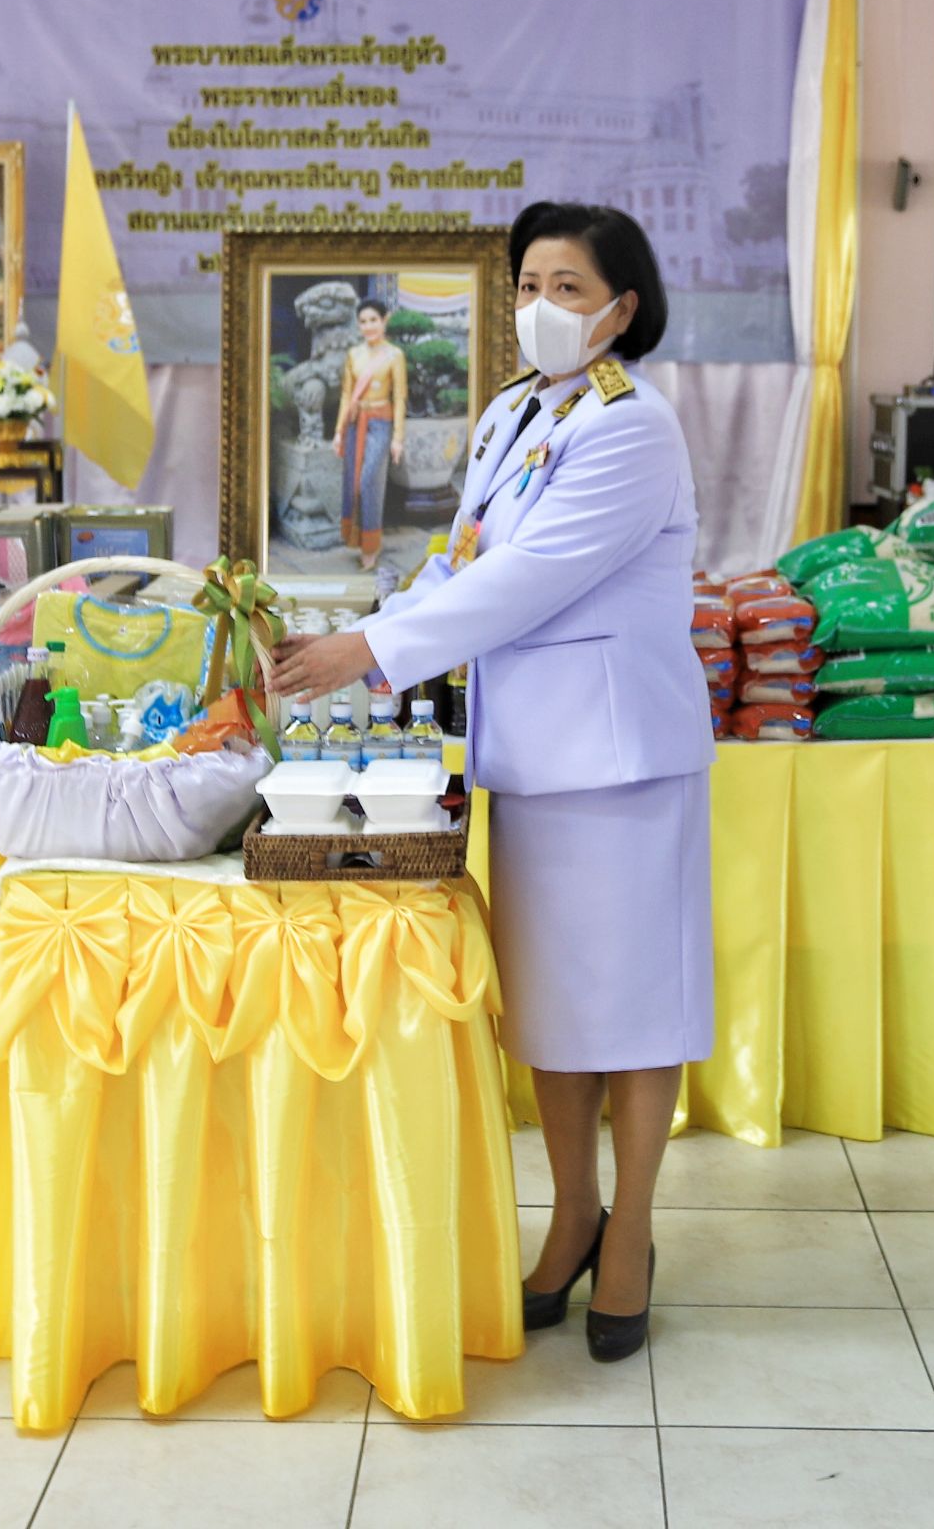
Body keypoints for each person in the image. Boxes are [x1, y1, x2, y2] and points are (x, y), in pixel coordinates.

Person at [271, 200, 714, 1364]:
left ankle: (632, 1229)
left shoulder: (632, 427)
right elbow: (459, 560)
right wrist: (360, 627)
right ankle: (572, 1215)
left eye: (568, 289)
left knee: (635, 1007)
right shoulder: (514, 411)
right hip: (530, 753)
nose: (539, 307)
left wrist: (367, 650)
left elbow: (530, 576)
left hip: (619, 757)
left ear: (623, 308)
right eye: (526, 284)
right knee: (555, 1007)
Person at [333, 299, 409, 570]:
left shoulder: (394, 355)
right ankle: (357, 539)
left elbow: (399, 398)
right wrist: (339, 431)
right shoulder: (354, 354)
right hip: (355, 422)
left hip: (380, 422)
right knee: (352, 483)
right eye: (363, 322)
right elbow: (346, 395)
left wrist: (397, 438)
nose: (368, 327)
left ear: (384, 320)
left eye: (373, 320)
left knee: (369, 482)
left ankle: (371, 546)